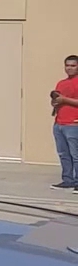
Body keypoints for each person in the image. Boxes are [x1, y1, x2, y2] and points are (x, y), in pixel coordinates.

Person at [50, 55, 78, 188]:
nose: (69, 68)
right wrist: (55, 101)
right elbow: (57, 101)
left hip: (74, 124)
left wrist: (64, 100)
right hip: (59, 123)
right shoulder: (61, 83)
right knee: (63, 154)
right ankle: (68, 180)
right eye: (67, 65)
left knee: (76, 155)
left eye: (73, 66)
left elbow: (65, 100)